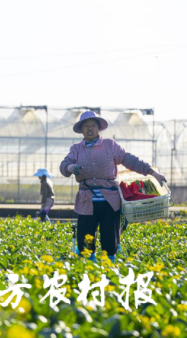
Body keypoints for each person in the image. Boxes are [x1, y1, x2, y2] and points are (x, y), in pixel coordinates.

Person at [60, 111, 166, 262]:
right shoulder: (76, 149)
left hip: (109, 201)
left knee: (110, 237)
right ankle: (87, 266)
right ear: (81, 130)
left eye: (93, 126)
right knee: (85, 236)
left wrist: (152, 173)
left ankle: (109, 266)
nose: (90, 129)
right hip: (86, 200)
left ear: (99, 128)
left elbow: (130, 160)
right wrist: (70, 168)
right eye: (86, 126)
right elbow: (64, 165)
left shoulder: (110, 146)